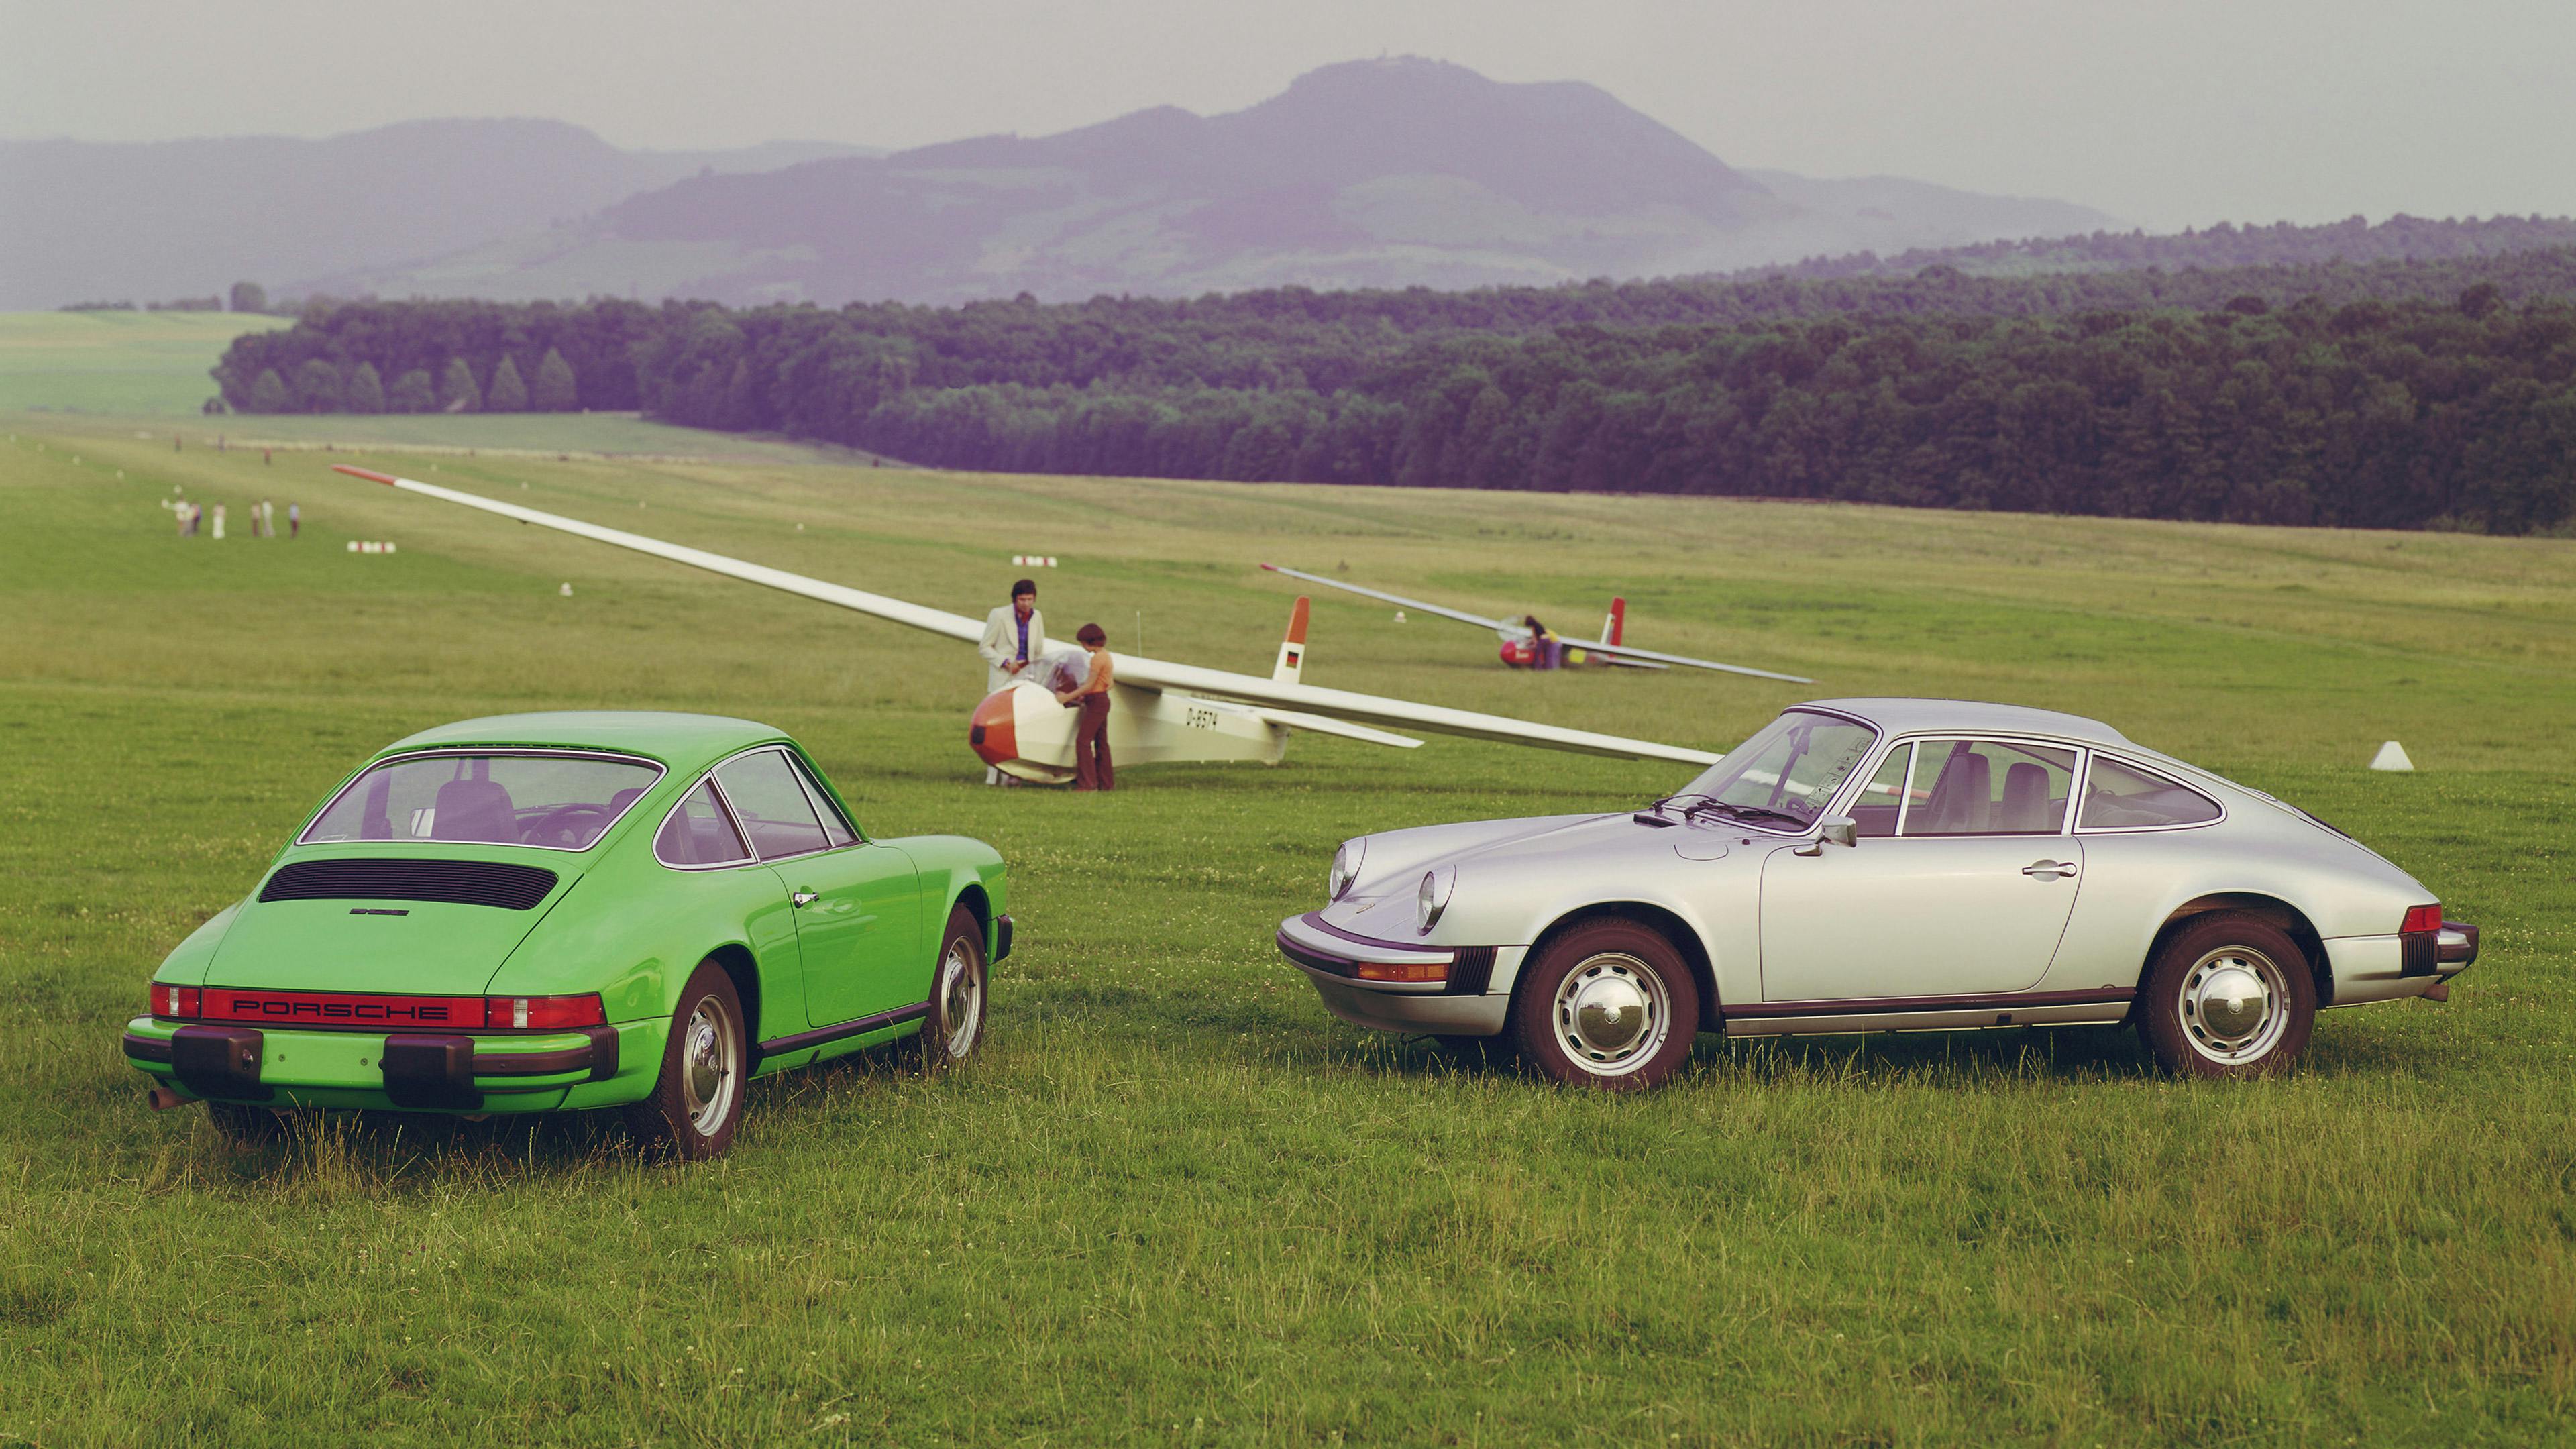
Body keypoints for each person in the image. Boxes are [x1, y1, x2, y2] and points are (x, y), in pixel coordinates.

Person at [977, 580, 1045, 785]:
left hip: (1026, 678)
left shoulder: (1037, 617)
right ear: (1015, 599)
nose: (1026, 604)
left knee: (1020, 725)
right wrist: (1006, 663)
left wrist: (1033, 669)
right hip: (1003, 677)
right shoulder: (999, 615)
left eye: (1030, 600)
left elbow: (1039, 650)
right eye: (1022, 600)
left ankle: (1012, 774)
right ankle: (992, 776)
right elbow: (985, 648)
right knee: (997, 727)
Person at [1056, 622, 1115, 792]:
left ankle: (1088, 783)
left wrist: (1067, 697)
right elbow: (1109, 684)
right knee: (1102, 742)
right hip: (1102, 700)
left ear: (1089, 642)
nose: (1082, 647)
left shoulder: (1097, 659)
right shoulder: (1107, 656)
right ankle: (1106, 783)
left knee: (1083, 741)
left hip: (1097, 702)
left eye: (1082, 643)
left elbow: (1089, 685)